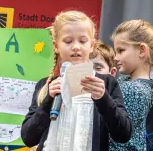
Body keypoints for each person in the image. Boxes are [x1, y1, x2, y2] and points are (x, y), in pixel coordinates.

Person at [20, 10, 132, 151]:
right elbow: (28, 138)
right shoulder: (46, 85)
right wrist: (48, 99)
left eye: (83, 41)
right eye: (68, 41)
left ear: (91, 45)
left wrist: (103, 99)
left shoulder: (107, 83)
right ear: (56, 46)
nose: (76, 47)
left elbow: (123, 134)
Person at [110, 19, 153, 150]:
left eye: (121, 50)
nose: (115, 57)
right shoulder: (130, 83)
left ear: (142, 50)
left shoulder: (134, 90)